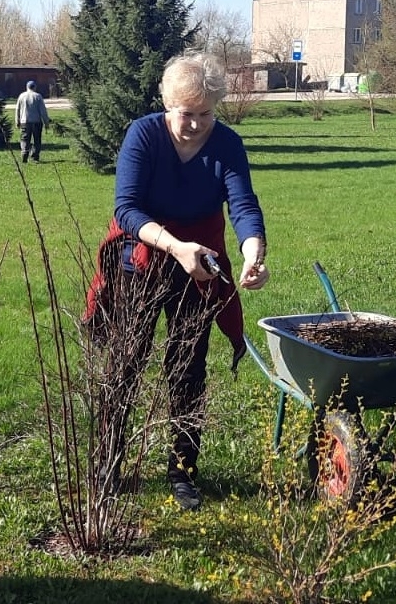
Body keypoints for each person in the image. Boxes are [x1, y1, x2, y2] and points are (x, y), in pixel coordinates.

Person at [84, 51, 269, 511]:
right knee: (126, 364)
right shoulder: (143, 134)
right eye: (187, 114)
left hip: (199, 262)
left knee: (188, 368)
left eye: (206, 114)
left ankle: (183, 473)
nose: (196, 124)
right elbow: (126, 209)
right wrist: (175, 246)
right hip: (141, 257)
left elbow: (242, 207)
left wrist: (252, 255)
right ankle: (108, 463)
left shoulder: (226, 143)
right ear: (167, 104)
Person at [15, 80, 50, 163]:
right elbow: (43, 111)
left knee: (24, 139)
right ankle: (35, 157)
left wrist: (17, 121)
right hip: (36, 121)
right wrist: (46, 122)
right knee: (37, 139)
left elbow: (17, 109)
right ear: (35, 87)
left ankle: (24, 154)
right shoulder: (38, 96)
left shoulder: (21, 96)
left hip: (25, 121)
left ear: (27, 87)